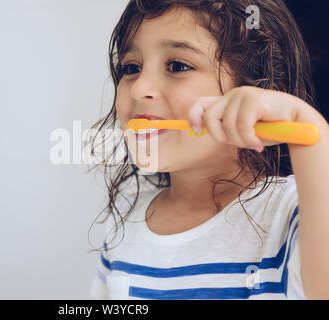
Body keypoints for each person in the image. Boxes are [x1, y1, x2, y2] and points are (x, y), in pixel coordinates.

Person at [87, 0, 329, 299]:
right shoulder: (124, 223)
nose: (139, 88)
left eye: (177, 66)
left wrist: (307, 128)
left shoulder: (293, 214)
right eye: (131, 68)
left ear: (262, 93)